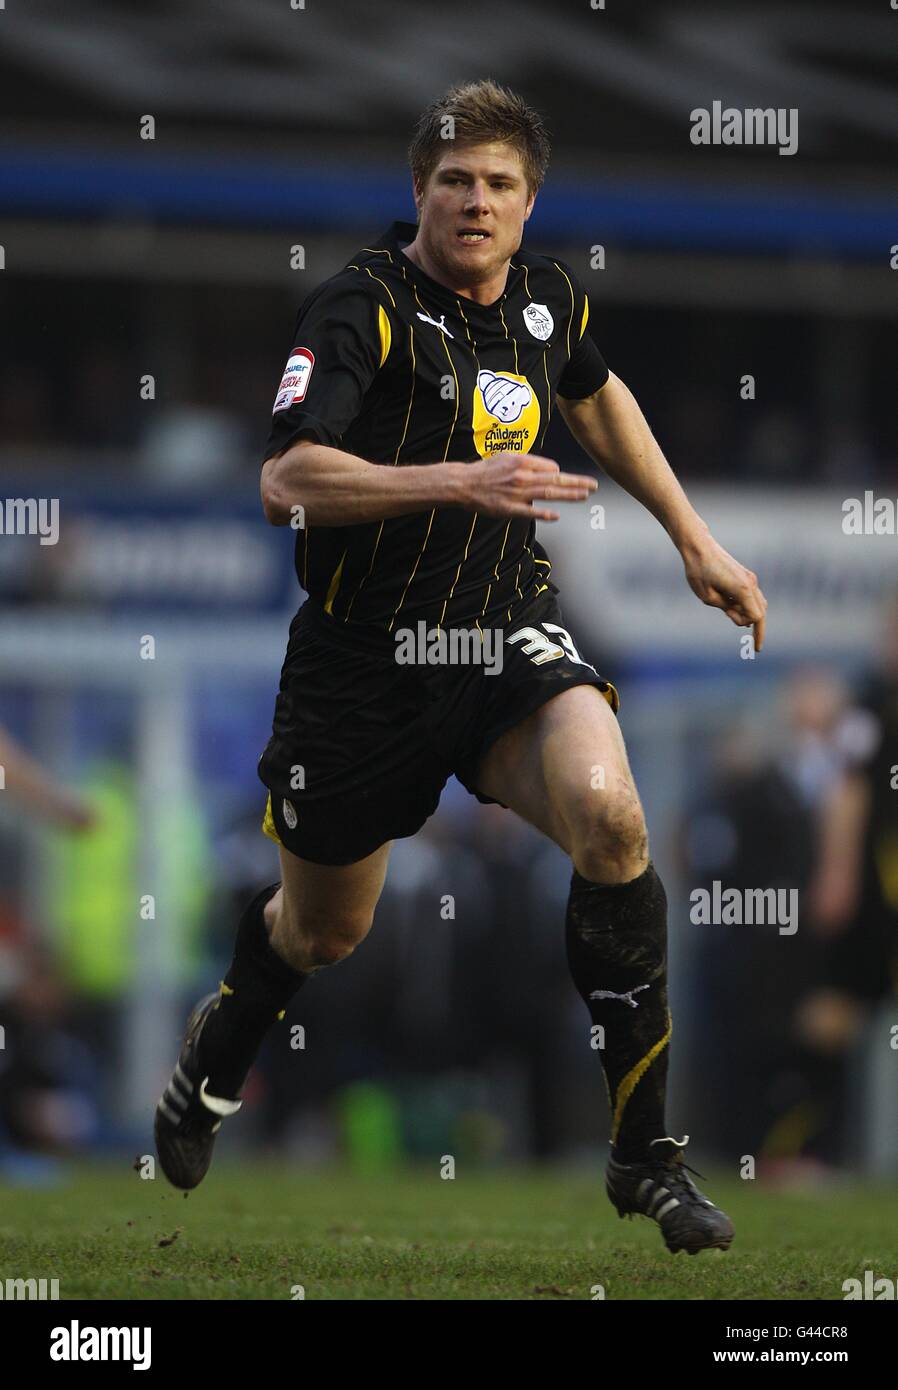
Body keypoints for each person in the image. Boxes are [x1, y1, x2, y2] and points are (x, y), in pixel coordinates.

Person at [155, 80, 766, 1255]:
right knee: (322, 931)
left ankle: (645, 1158)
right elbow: (287, 479)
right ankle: (218, 1047)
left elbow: (594, 395)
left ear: (529, 204)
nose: (474, 203)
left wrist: (694, 539)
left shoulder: (545, 301)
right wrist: (459, 479)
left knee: (614, 820)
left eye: (497, 185)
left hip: (501, 637)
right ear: (419, 193)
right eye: (453, 182)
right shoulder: (359, 307)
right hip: (358, 668)